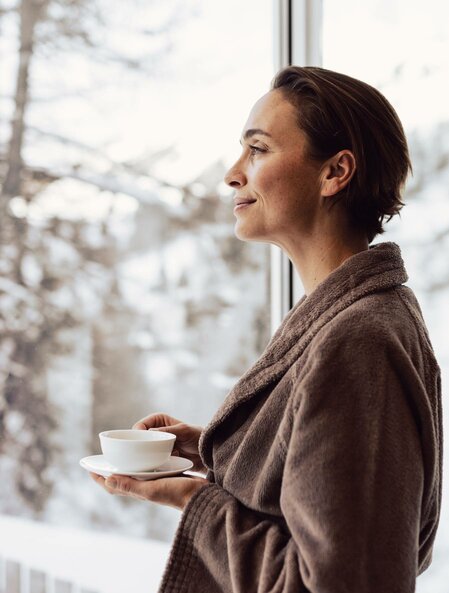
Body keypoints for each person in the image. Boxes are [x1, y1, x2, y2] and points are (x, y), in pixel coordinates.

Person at [91, 66, 443, 593]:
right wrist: (220, 450)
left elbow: (347, 582)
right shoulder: (353, 319)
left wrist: (192, 500)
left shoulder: (359, 341)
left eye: (257, 150)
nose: (233, 174)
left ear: (334, 172)